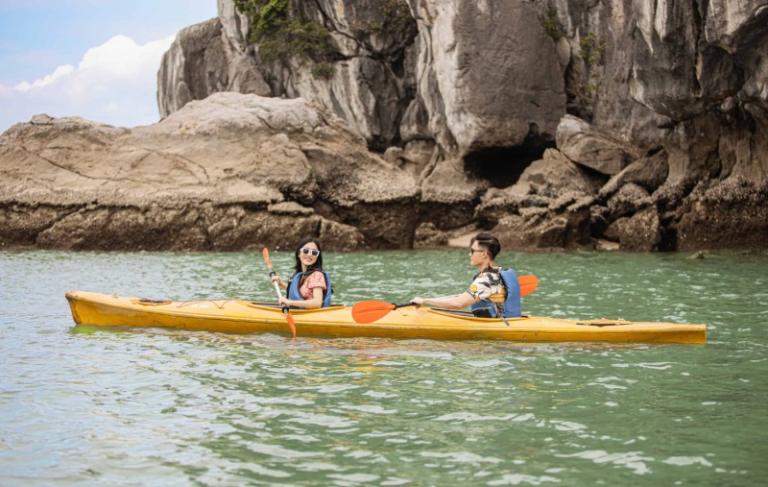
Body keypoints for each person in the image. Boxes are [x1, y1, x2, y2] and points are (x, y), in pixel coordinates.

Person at [410, 232, 521, 318]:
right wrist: (427, 300)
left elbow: (458, 303)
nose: (469, 254)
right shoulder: (498, 272)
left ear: (483, 254)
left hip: (497, 326)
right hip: (508, 320)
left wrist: (425, 301)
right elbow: (462, 297)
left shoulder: (486, 280)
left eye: (472, 251)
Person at [271, 237, 333, 309]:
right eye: (306, 251)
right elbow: (299, 292)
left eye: (314, 252)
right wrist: (281, 283)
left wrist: (289, 302)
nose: (310, 255)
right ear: (298, 253)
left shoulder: (317, 275)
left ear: (317, 257)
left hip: (310, 317)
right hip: (299, 314)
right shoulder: (300, 275)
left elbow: (317, 303)